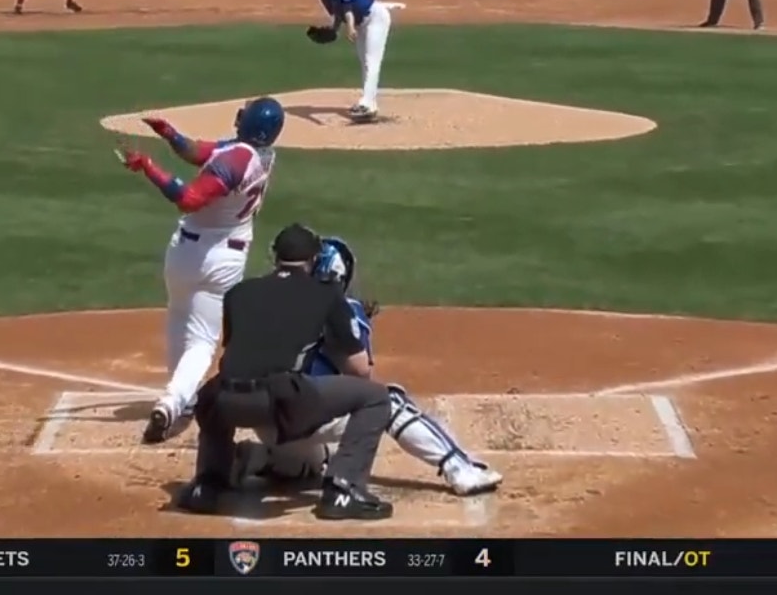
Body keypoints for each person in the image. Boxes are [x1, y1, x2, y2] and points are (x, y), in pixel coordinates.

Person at [231, 235, 504, 496]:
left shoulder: (260, 298)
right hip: (300, 409)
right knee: (387, 400)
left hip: (260, 416)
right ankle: (459, 467)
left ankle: (257, 458)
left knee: (312, 465)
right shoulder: (337, 305)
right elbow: (360, 373)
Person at [178, 223, 394, 521]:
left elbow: (238, 352)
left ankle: (207, 484)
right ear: (315, 260)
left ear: (274, 257)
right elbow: (359, 370)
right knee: (376, 397)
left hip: (223, 402)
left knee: (218, 387)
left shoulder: (238, 293)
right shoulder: (327, 294)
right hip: (279, 403)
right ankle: (344, 489)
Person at [115, 98, 284, 445]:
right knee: (198, 334)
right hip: (223, 257)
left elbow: (189, 199)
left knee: (184, 325)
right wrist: (168, 132)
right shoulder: (253, 153)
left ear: (249, 122)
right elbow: (197, 151)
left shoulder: (236, 159)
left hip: (189, 254)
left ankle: (175, 400)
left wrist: (149, 167)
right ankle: (179, 400)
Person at [311, 0, 406, 123]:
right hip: (362, 22)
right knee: (365, 62)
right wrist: (333, 29)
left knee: (371, 61)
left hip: (376, 18)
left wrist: (350, 26)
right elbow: (338, 13)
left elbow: (346, 6)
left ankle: (366, 104)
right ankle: (371, 104)